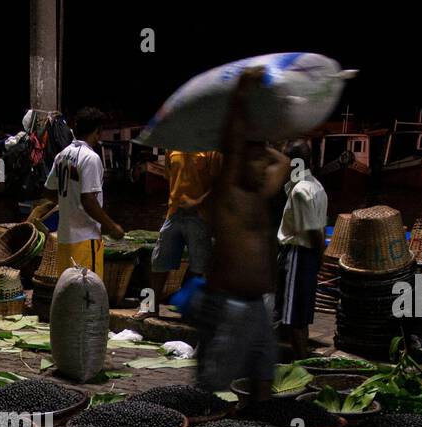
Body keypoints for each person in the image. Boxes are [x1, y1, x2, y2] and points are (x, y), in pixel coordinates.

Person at [187, 67, 290, 399]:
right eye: (256, 160)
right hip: (226, 305)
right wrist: (242, 93)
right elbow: (232, 146)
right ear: (240, 161)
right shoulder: (230, 192)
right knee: (212, 388)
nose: (264, 167)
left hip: (257, 306)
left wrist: (262, 145)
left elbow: (284, 163)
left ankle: (257, 424)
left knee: (263, 377)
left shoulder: (260, 194)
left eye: (263, 160)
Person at [29, 107, 125, 278]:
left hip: (65, 238)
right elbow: (88, 200)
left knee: (68, 287)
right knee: (88, 290)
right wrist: (112, 227)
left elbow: (48, 192)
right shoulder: (91, 158)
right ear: (98, 131)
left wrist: (68, 201)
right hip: (85, 239)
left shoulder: (62, 155)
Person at [136, 149, 220, 318]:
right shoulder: (172, 148)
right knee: (158, 262)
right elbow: (169, 177)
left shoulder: (211, 149)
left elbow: (219, 184)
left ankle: (191, 309)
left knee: (199, 266)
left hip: (200, 215)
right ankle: (150, 306)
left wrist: (197, 202)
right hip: (174, 212)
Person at [275, 139, 328, 359]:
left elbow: (314, 230)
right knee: (299, 312)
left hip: (298, 254)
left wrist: (320, 255)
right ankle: (300, 356)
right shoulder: (316, 186)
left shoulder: (300, 191)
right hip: (306, 255)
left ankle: (300, 360)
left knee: (293, 315)